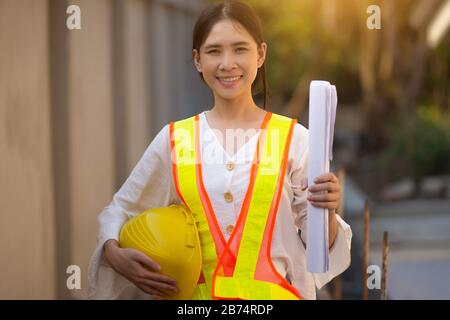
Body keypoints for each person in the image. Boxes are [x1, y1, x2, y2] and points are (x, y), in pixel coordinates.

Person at [88, 0, 352, 300]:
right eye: (214, 51)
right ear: (198, 59)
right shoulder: (175, 139)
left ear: (261, 54)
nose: (228, 63)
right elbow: (120, 210)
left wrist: (327, 212)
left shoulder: (295, 139)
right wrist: (113, 251)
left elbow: (320, 247)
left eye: (240, 48)